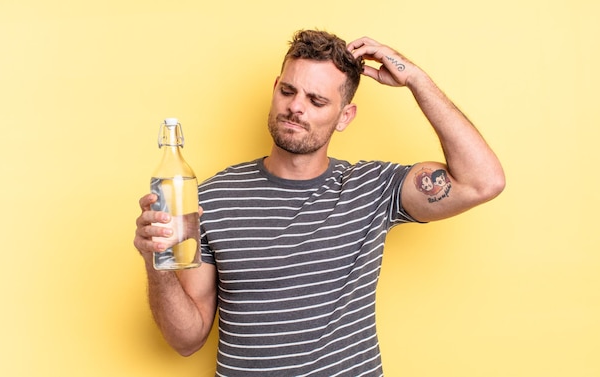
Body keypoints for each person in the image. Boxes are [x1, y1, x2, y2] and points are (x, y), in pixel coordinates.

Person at [134, 29, 505, 376]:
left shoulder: (371, 188)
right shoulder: (213, 198)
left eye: (317, 100)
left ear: (344, 116)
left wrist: (414, 79)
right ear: (275, 88)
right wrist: (157, 263)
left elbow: (481, 181)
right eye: (289, 91)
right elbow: (187, 340)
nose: (297, 107)